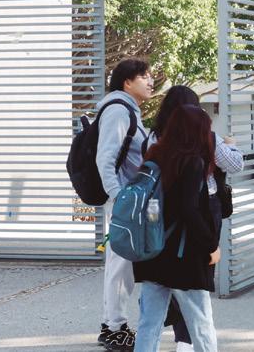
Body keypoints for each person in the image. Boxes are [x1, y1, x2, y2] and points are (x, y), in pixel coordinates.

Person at [150, 86, 245, 352]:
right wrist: (232, 146)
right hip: (201, 209)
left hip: (160, 211)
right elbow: (235, 164)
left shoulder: (154, 137)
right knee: (195, 277)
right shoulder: (206, 137)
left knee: (163, 276)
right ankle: (186, 341)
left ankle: (180, 336)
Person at [133, 105, 222, 352]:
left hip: (152, 251)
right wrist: (211, 246)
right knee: (201, 323)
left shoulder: (154, 156)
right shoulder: (192, 162)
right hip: (183, 257)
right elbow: (189, 210)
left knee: (149, 323)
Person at [96, 59, 154, 350]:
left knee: (119, 264)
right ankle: (115, 328)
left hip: (127, 200)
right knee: (122, 266)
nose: (150, 80)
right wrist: (118, 198)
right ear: (127, 82)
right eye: (144, 76)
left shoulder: (128, 110)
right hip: (124, 201)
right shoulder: (118, 110)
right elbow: (105, 160)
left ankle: (111, 324)